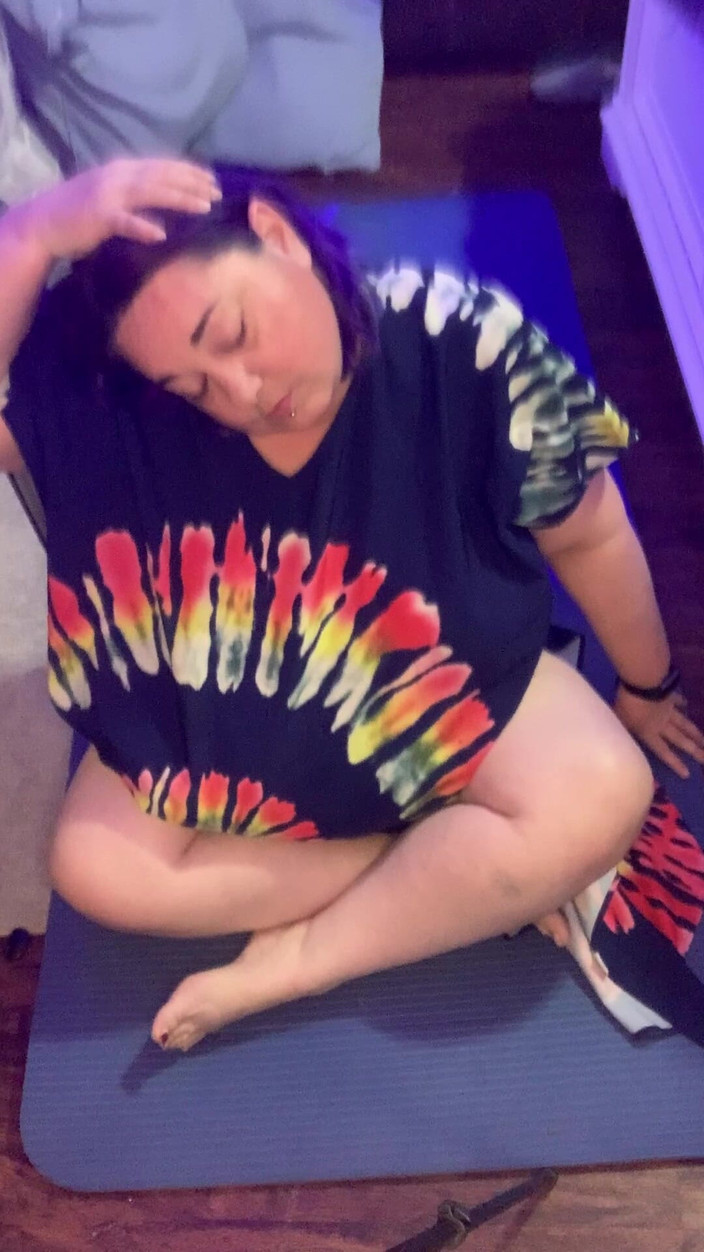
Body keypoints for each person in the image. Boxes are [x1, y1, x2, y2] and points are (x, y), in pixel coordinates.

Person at [1, 158, 702, 1054]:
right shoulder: (122, 399)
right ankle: (432, 871)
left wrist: (648, 683)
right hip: (214, 718)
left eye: (236, 334)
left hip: (433, 695)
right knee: (94, 868)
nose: (241, 395)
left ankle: (306, 958)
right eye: (193, 387)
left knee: (603, 793)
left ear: (278, 235)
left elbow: (592, 532)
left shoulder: (463, 344)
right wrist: (30, 234)